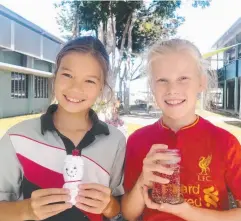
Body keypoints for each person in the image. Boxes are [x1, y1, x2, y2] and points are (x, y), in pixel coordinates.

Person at [0, 36, 126, 221]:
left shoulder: (115, 141)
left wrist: (110, 206)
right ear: (55, 75)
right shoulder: (18, 136)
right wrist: (26, 210)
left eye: (89, 81)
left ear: (101, 87)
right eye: (67, 75)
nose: (76, 88)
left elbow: (122, 211)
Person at [121, 39, 241, 221]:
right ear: (152, 86)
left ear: (201, 83)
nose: (172, 89)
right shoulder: (138, 140)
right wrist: (142, 181)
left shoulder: (225, 143)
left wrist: (189, 213)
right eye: (162, 80)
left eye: (183, 79)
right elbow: (129, 214)